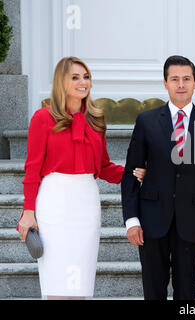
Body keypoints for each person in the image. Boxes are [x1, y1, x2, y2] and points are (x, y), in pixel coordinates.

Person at [17, 56, 146, 300]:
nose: (83, 82)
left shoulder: (96, 119)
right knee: (57, 279)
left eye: (86, 77)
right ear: (60, 82)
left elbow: (104, 167)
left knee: (81, 282)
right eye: (75, 77)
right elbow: (32, 169)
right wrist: (28, 210)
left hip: (86, 203)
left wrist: (133, 174)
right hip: (54, 202)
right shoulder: (42, 118)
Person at [121, 55, 195, 300]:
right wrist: (132, 220)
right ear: (165, 83)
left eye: (186, 79)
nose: (181, 84)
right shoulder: (146, 121)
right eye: (175, 79)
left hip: (193, 222)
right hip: (151, 220)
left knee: (186, 292)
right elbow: (131, 172)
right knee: (153, 291)